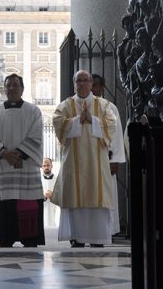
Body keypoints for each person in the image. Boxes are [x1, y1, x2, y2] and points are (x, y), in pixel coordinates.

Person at [51, 70, 118, 247]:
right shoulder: (65, 106)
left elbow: (111, 126)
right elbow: (58, 124)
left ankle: (98, 239)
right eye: (78, 80)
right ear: (74, 84)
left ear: (91, 83)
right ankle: (77, 237)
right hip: (73, 163)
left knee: (97, 196)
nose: (82, 84)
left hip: (97, 164)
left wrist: (92, 119)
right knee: (76, 196)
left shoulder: (103, 105)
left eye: (85, 80)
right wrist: (76, 121)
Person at [0, 74, 45, 247]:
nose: (11, 88)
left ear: (22, 88)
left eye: (15, 85)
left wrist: (18, 153)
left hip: (26, 166)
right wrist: (4, 153)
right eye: (8, 85)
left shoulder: (33, 111)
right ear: (4, 89)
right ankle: (4, 237)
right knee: (5, 204)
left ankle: (29, 238)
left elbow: (36, 134)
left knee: (26, 202)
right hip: (4, 165)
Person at [91, 74, 127, 235]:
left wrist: (116, 160)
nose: (92, 88)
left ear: (102, 88)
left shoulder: (110, 108)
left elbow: (117, 135)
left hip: (106, 159)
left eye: (96, 85)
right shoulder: (75, 106)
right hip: (85, 162)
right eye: (90, 84)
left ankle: (106, 231)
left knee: (106, 195)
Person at [41, 158, 60, 227]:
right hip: (43, 206)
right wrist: (43, 196)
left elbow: (60, 193)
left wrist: (53, 195)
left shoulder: (57, 179)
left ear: (51, 166)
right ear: (41, 167)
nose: (46, 167)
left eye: (48, 165)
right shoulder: (38, 179)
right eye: (44, 165)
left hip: (54, 207)